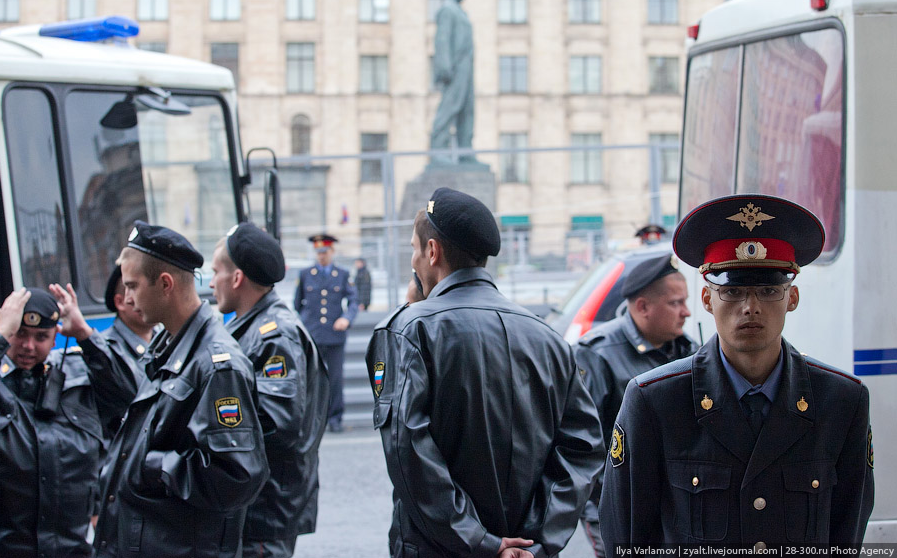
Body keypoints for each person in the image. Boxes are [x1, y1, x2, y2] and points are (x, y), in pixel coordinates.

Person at [600, 194, 875, 551]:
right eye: (732, 291)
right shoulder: (656, 399)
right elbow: (627, 536)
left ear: (791, 299)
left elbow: (847, 532)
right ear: (707, 300)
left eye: (768, 290)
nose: (750, 307)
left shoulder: (840, 400)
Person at [366, 187, 605, 557]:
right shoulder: (547, 337)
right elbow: (583, 449)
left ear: (432, 252)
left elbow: (408, 450)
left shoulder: (409, 329)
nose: (413, 260)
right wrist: (536, 541)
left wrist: (481, 542)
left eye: (414, 249)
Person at [93, 221, 268, 558]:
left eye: (132, 286)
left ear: (165, 284)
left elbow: (237, 476)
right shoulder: (168, 347)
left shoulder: (217, 364)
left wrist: (153, 465)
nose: (126, 298)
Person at [210, 222, 329, 558]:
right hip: (255, 506)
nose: (211, 282)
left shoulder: (274, 335)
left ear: (236, 279)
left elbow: (277, 423)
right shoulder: (254, 328)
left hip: (263, 511)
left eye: (216, 271)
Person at [573, 253, 696, 556]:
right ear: (642, 307)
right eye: (675, 303)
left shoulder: (687, 349)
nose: (687, 312)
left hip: (676, 503)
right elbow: (585, 445)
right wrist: (610, 502)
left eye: (685, 301)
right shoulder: (598, 354)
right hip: (621, 502)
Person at [0, 287, 109, 557]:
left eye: (41, 337)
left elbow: (130, 391)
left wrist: (85, 333)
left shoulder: (77, 379)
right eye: (20, 333)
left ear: (55, 339)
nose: (28, 346)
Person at [52, 266, 157, 441]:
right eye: (137, 290)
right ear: (120, 302)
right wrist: (85, 335)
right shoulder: (99, 351)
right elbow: (136, 394)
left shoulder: (166, 341)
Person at [294, 234, 358, 433]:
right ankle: (313, 419)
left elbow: (353, 300)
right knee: (312, 378)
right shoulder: (306, 274)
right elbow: (297, 303)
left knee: (335, 378)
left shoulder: (342, 274)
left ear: (332, 252)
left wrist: (346, 318)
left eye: (325, 252)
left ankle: (335, 418)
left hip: (334, 335)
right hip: (313, 335)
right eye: (318, 252)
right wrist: (305, 323)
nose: (321, 256)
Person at [429, 0, 475, 155]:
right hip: (454, 68)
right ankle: (438, 149)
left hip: (466, 67)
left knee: (467, 110)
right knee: (450, 107)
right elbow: (442, 39)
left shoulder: (462, 13)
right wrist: (444, 67)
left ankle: (465, 151)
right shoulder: (447, 10)